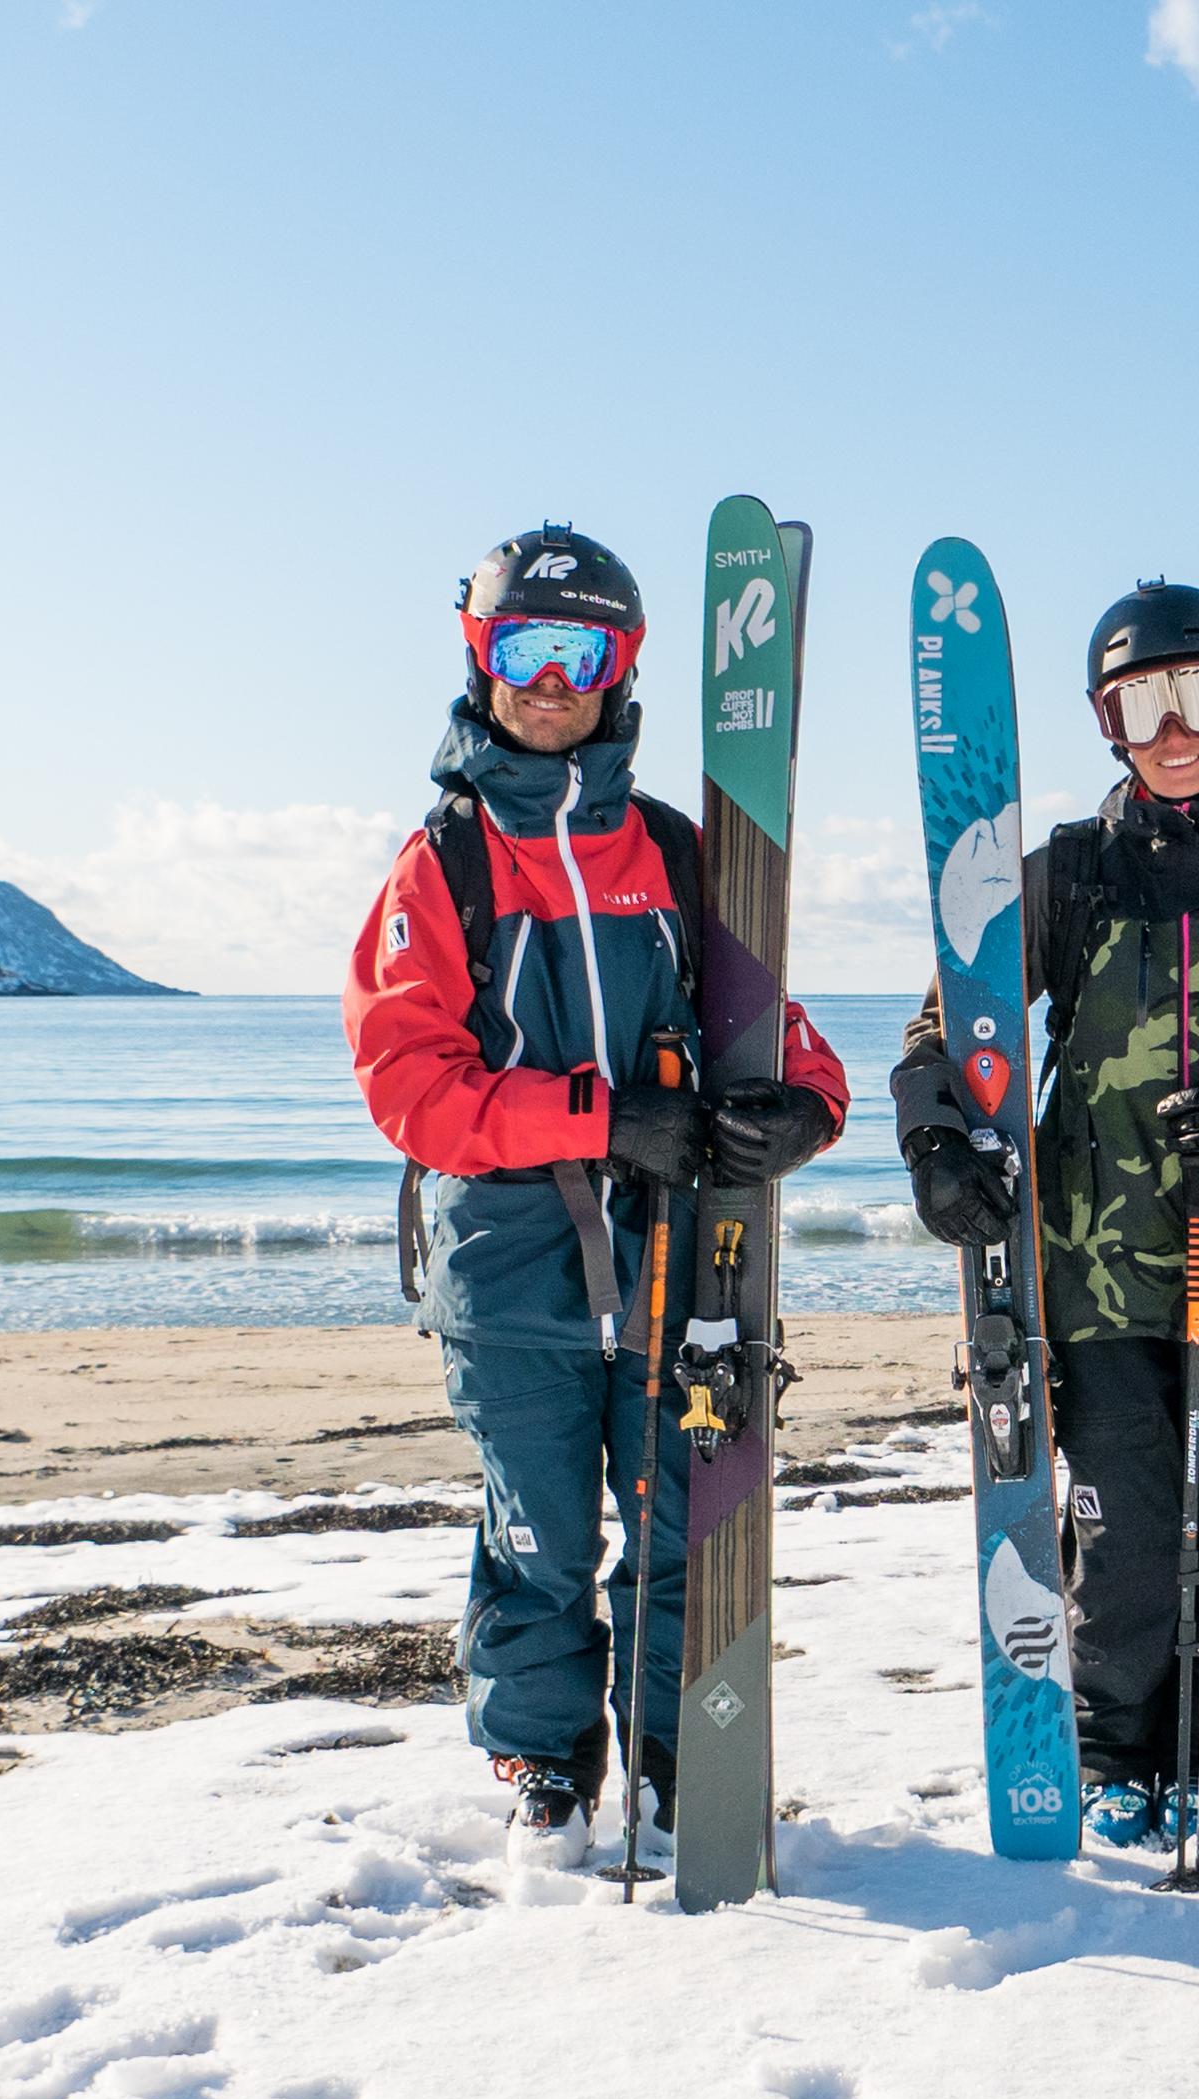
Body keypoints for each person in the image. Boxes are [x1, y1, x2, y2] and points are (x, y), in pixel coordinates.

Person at [344, 525, 849, 1861]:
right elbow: (412, 1085)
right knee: (542, 1537)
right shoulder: (442, 865)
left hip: (684, 1267)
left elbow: (775, 1026)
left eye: (582, 651)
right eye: (525, 647)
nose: (552, 678)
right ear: (482, 657)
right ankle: (549, 1763)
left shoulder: (679, 853)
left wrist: (804, 1103)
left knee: (686, 1522)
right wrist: (604, 1114)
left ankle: (689, 1756)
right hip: (513, 1279)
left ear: (621, 665)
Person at [890, 579, 1199, 1849]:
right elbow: (947, 1032)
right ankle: (1112, 1753)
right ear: (1109, 721)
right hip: (1096, 1273)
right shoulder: (1067, 875)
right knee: (1119, 1525)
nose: (1177, 729)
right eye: (1145, 703)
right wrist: (935, 1139)